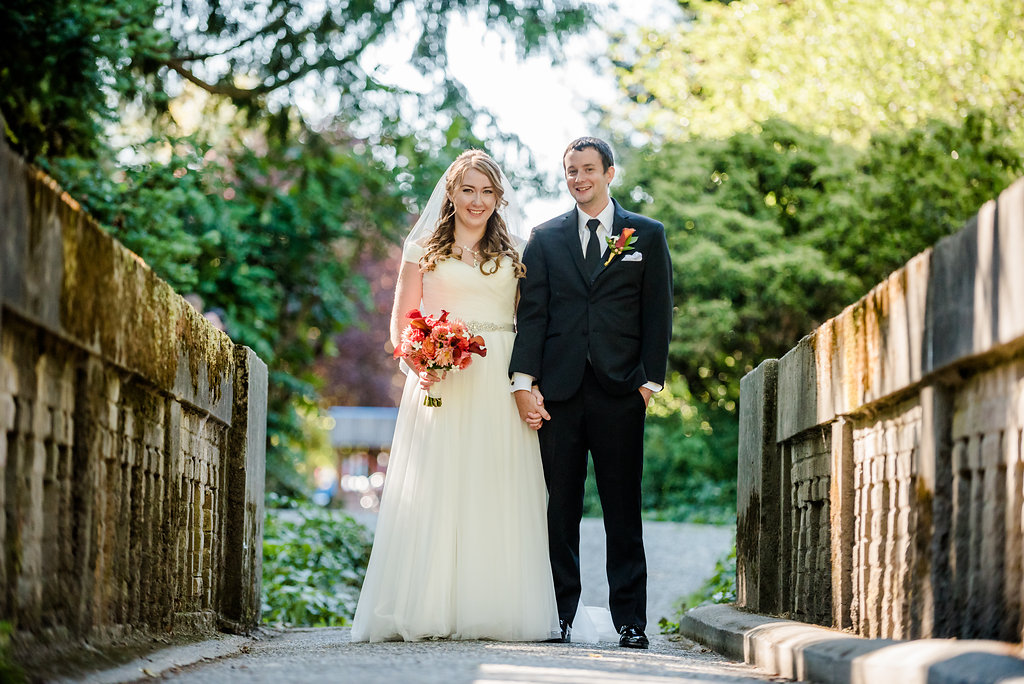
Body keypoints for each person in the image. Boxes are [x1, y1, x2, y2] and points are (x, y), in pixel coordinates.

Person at [350, 150, 560, 643]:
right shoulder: (421, 246)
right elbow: (402, 324)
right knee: (440, 486)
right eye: (468, 189)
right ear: (451, 191)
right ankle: (430, 607)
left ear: (498, 199)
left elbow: (528, 324)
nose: (477, 201)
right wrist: (420, 363)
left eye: (488, 192)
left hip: (500, 378)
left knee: (497, 484)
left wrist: (527, 384)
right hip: (441, 378)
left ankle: (493, 606)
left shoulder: (515, 253)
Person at [509, 137, 673, 649]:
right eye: (570, 171)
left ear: (609, 173)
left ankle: (631, 621)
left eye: (587, 170)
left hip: (621, 391)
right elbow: (532, 316)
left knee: (622, 509)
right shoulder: (545, 238)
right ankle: (559, 614)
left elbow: (658, 311)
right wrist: (524, 380)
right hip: (558, 394)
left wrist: (650, 382)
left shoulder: (645, 234)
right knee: (560, 510)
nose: (578, 179)